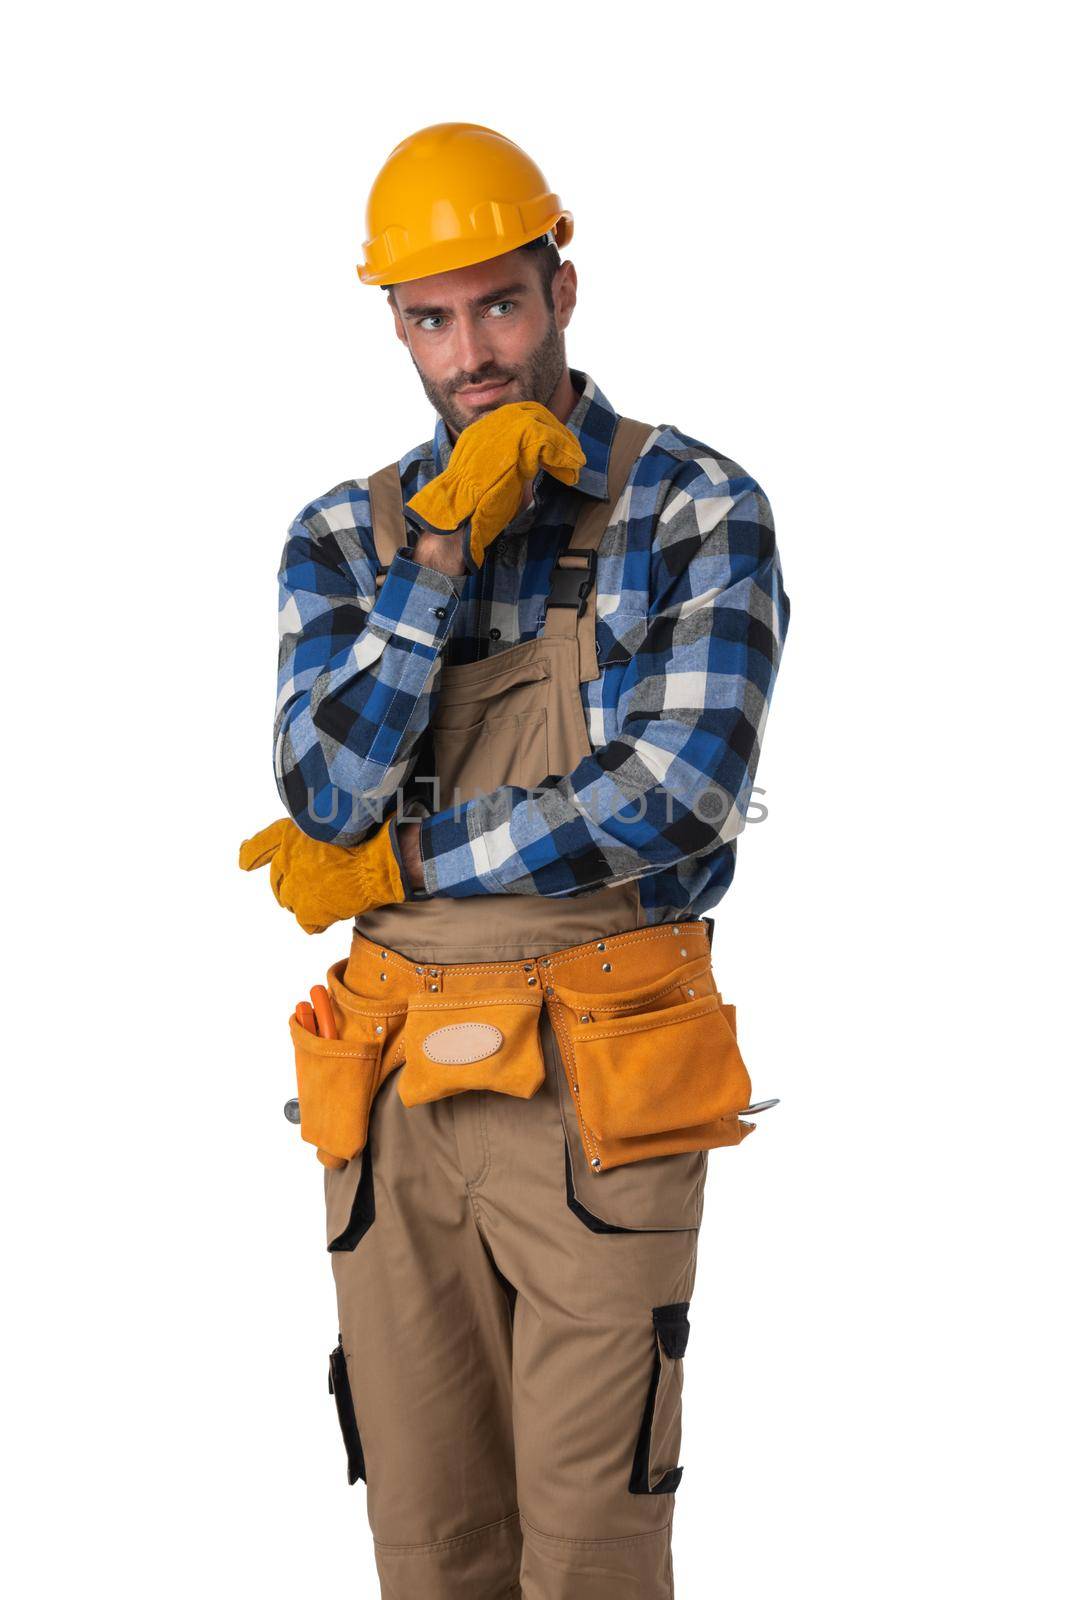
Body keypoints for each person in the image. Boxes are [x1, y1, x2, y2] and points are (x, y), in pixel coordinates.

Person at [239, 120, 790, 1600]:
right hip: (393, 1099)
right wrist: (435, 567)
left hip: (602, 1085)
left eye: (499, 302)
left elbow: (672, 799)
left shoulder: (694, 510)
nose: (470, 349)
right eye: (431, 316)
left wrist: (407, 856)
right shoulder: (347, 539)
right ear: (395, 324)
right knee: (430, 1549)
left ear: (562, 286)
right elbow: (322, 791)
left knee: (593, 1553)